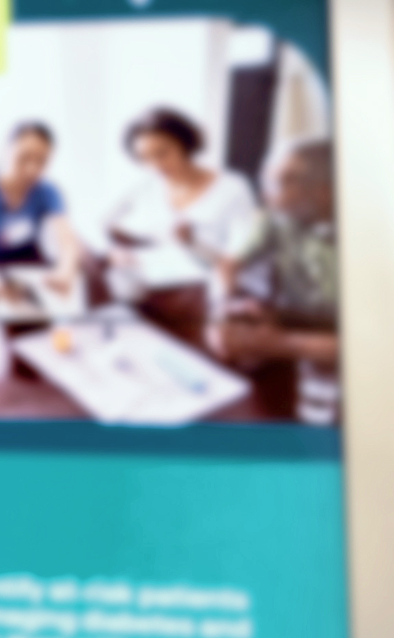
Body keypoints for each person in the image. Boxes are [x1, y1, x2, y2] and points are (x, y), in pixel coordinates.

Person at [217, 137, 341, 421]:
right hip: (297, 325)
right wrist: (230, 304)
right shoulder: (276, 218)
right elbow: (230, 263)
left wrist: (280, 344)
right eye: (267, 181)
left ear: (327, 190)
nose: (266, 194)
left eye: (283, 182)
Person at [94, 105, 264, 276]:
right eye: (145, 158)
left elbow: (238, 260)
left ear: (185, 144)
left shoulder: (232, 188)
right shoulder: (144, 184)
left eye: (162, 153)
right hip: (152, 279)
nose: (155, 166)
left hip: (204, 283)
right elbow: (96, 221)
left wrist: (192, 243)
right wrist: (112, 250)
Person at [0, 120, 90, 308]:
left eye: (42, 162)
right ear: (5, 150)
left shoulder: (47, 191)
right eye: (24, 158)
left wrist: (65, 272)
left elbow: (68, 242)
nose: (32, 169)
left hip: (29, 266)